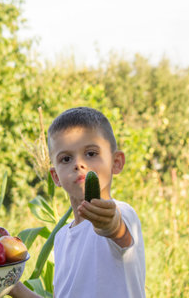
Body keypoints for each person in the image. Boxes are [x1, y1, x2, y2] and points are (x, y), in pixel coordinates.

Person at [47, 107, 146, 297]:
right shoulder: (60, 238)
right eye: (66, 158)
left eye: (91, 153)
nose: (78, 164)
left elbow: (118, 232)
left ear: (116, 162)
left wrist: (110, 225)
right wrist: (14, 288)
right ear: (56, 176)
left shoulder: (122, 213)